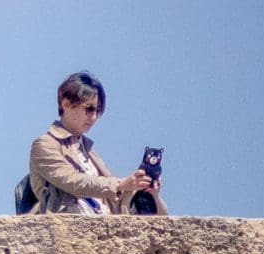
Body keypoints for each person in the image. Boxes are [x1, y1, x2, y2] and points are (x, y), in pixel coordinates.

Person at [28, 71, 165, 215]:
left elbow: (114, 200)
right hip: (67, 223)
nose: (93, 117)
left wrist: (146, 191)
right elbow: (72, 181)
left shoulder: (90, 153)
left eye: (98, 111)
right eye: (89, 109)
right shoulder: (44, 145)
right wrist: (120, 184)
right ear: (66, 104)